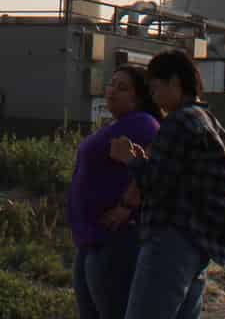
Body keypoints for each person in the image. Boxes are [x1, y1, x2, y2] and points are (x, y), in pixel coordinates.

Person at [109, 50, 225, 319]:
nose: (154, 98)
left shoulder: (178, 122)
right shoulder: (211, 123)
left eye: (155, 89)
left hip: (170, 240)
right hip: (199, 242)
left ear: (175, 82)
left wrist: (131, 160)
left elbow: (156, 183)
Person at [70, 66, 162, 319]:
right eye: (111, 84)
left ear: (139, 97)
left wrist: (127, 204)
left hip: (115, 240)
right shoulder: (119, 124)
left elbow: (156, 164)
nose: (112, 91)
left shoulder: (142, 124)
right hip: (92, 238)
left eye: (122, 88)